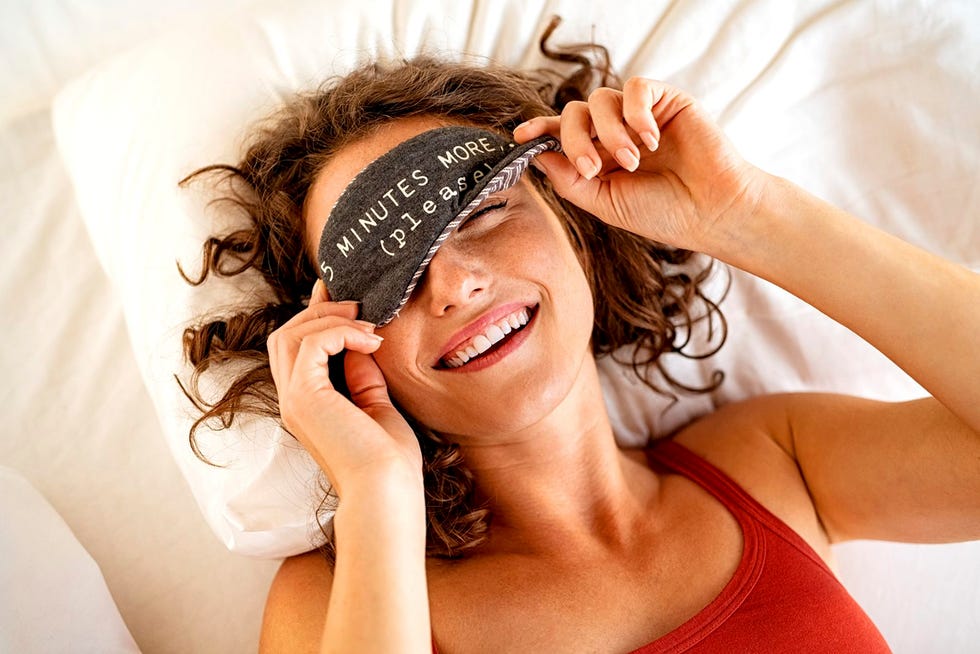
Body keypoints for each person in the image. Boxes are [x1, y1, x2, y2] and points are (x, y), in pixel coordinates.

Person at [179, 30, 980, 654]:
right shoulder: (339, 595)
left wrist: (746, 214)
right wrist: (375, 495)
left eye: (485, 211)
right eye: (389, 277)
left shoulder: (775, 461)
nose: (455, 284)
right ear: (345, 349)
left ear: (575, 221)